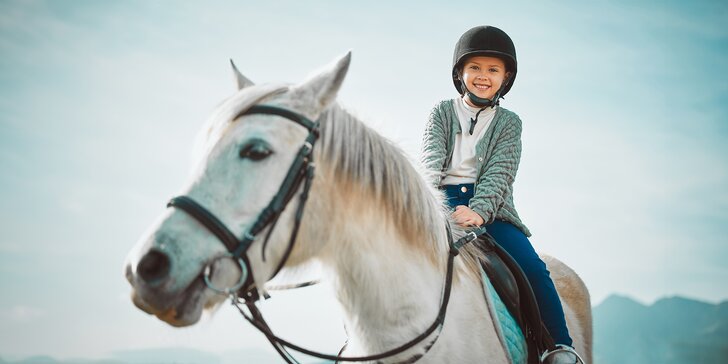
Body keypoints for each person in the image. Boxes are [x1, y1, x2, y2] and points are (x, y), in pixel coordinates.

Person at [420, 25, 584, 364]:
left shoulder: (510, 123)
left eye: (493, 70)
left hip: (492, 210)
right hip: (439, 205)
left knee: (533, 268)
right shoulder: (441, 112)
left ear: (505, 77)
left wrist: (478, 211)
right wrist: (432, 205)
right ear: (460, 73)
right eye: (475, 68)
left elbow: (500, 173)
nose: (483, 76)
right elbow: (430, 162)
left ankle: (559, 347)